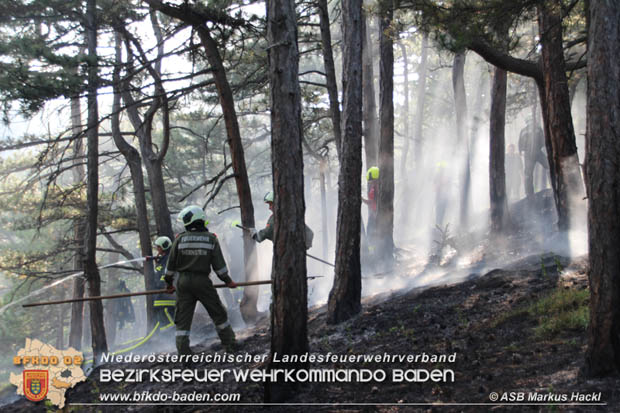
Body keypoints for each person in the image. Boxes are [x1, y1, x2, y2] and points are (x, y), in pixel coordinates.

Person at [164, 205, 238, 355]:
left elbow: (170, 267)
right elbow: (220, 267)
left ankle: (185, 357)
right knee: (218, 314)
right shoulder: (211, 239)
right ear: (201, 220)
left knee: (182, 322)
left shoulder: (179, 240)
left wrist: (169, 284)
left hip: (183, 283)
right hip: (203, 282)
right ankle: (231, 347)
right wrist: (228, 281)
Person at [149, 236, 176, 333]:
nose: (157, 249)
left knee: (166, 313)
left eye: (158, 247)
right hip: (161, 293)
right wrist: (157, 263)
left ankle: (170, 334)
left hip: (166, 294)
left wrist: (162, 284)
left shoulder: (169, 259)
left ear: (164, 247)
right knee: (160, 313)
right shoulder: (162, 259)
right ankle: (166, 335)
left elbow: (167, 274)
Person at [518, 118, 549, 197]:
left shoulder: (538, 129)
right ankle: (529, 193)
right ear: (527, 122)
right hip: (528, 154)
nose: (531, 123)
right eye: (529, 121)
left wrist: (543, 146)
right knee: (528, 174)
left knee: (549, 166)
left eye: (532, 121)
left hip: (538, 152)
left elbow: (543, 139)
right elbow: (520, 141)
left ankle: (554, 185)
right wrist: (520, 150)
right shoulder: (523, 130)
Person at [362, 166, 379, 240]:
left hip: (375, 213)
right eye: (371, 181)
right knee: (370, 231)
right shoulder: (373, 188)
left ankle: (374, 249)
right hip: (373, 213)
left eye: (373, 181)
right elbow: (371, 202)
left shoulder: (377, 188)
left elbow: (371, 202)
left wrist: (362, 199)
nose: (371, 183)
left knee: (371, 231)